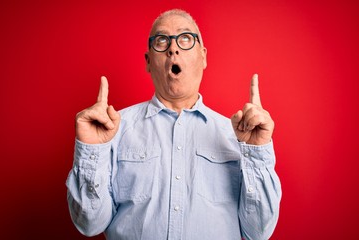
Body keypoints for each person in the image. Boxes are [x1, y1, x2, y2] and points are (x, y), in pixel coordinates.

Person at [66, 9, 281, 240]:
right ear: (148, 62)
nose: (173, 48)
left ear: (203, 56)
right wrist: (91, 151)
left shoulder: (238, 136)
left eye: (185, 38)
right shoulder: (112, 130)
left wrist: (256, 152)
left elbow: (258, 231)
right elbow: (89, 224)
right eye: (161, 41)